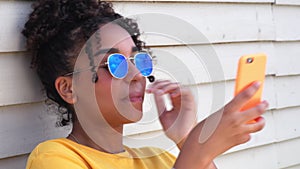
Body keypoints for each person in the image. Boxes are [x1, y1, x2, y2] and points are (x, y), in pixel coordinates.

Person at [22, 0, 269, 169]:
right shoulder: (55, 158)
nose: (137, 74)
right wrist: (198, 149)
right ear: (69, 88)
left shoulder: (157, 159)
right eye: (115, 63)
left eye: (138, 59)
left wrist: (185, 137)